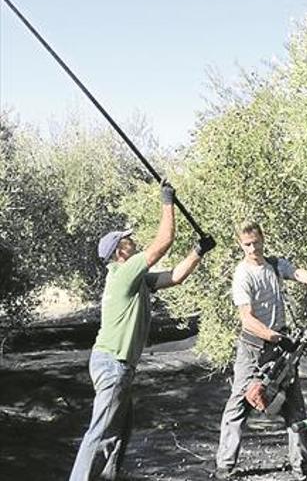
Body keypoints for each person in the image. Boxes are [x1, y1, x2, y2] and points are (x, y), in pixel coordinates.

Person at [70, 182, 217, 480]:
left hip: (115, 365)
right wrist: (167, 202)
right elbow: (163, 242)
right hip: (113, 364)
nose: (132, 240)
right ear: (119, 252)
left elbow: (174, 277)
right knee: (100, 434)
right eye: (127, 240)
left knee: (117, 433)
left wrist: (198, 251)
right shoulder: (124, 273)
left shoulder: (135, 280)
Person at [214, 220, 307, 480]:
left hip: (281, 348)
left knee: (294, 406)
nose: (252, 248)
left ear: (263, 238)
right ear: (240, 244)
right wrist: (276, 337)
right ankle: (225, 467)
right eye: (247, 244)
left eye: (256, 242)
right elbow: (247, 319)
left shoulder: (274, 265)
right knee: (239, 404)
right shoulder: (242, 275)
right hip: (253, 348)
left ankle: (303, 468)